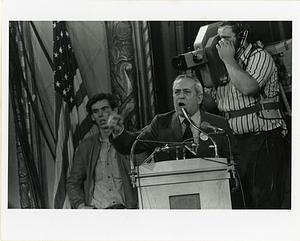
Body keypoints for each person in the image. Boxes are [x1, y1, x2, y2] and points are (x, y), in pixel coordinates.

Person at [203, 21, 289, 208]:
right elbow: (211, 105)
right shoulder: (218, 64)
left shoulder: (259, 56)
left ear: (242, 37)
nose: (220, 43)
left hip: (263, 140)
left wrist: (228, 60)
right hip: (233, 144)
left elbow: (249, 87)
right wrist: (200, 78)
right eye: (218, 38)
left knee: (264, 203)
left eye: (226, 38)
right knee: (241, 203)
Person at [109, 74, 237, 164]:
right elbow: (131, 145)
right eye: (177, 92)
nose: (180, 97)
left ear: (199, 98)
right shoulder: (161, 123)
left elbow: (234, 160)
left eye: (186, 92)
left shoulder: (218, 125)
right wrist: (118, 131)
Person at [66, 93, 137, 209]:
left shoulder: (131, 141)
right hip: (98, 211)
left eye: (104, 109)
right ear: (92, 117)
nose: (100, 115)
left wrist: (121, 134)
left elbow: (145, 169)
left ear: (114, 111)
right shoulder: (86, 146)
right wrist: (81, 206)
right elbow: (73, 182)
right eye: (96, 111)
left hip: (126, 210)